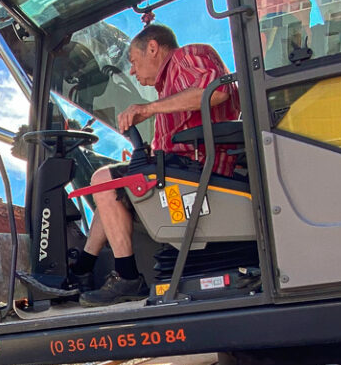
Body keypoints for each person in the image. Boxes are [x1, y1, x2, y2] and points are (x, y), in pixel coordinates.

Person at [74, 24, 239, 305]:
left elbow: (216, 92)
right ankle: (82, 270)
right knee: (111, 190)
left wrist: (146, 109)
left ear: (153, 47)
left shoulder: (187, 56)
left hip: (194, 169)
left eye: (134, 63)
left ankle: (126, 276)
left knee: (105, 179)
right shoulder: (169, 94)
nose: (134, 72)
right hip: (181, 167)